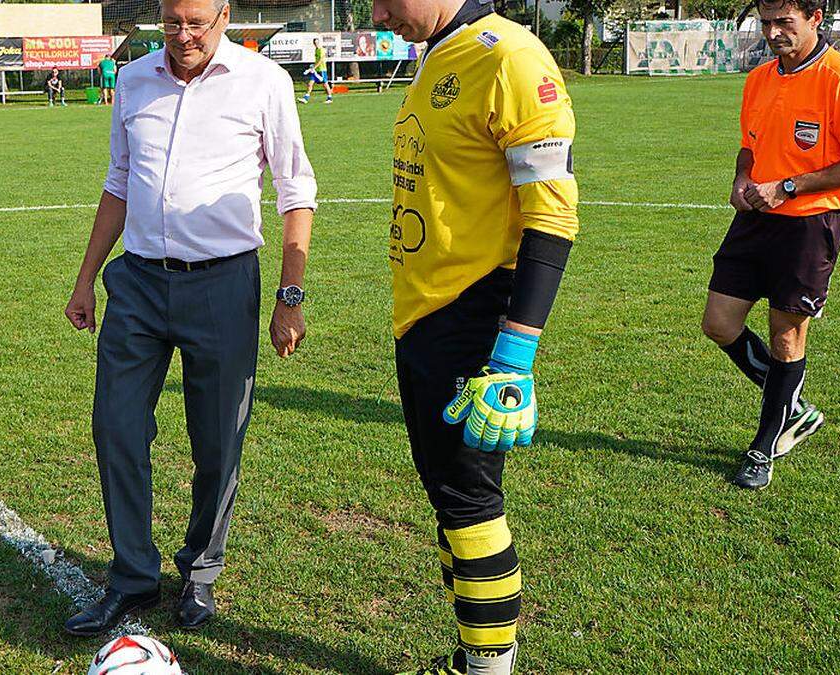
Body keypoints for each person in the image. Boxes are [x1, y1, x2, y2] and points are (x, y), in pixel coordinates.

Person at [62, 0, 317, 637]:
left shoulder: (263, 82)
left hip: (224, 286)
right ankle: (132, 577)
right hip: (139, 283)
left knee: (217, 442)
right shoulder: (135, 79)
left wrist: (291, 297)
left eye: (196, 23)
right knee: (116, 424)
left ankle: (200, 572)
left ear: (224, 16)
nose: (183, 37)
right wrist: (86, 276)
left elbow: (296, 189)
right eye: (172, 23)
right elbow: (119, 180)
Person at [375, 0, 579, 669]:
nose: (378, 12)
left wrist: (515, 356)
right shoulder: (440, 50)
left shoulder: (509, 56)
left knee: (470, 499)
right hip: (423, 314)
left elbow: (552, 214)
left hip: (475, 311)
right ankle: (472, 654)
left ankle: (487, 667)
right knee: (447, 495)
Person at [702, 0, 840, 490]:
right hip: (756, 218)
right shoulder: (759, 78)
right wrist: (743, 177)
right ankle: (795, 407)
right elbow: (751, 143)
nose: (773, 32)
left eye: (784, 21)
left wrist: (786, 187)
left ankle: (764, 446)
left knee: (787, 336)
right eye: (766, 22)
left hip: (810, 224)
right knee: (719, 324)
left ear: (815, 18)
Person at [299, 37, 334, 104]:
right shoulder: (316, 50)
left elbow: (321, 60)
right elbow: (317, 60)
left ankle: (330, 98)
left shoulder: (321, 50)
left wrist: (314, 67)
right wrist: (312, 67)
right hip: (316, 70)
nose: (316, 44)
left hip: (322, 70)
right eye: (315, 43)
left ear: (319, 42)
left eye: (317, 42)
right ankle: (305, 98)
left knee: (325, 84)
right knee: (310, 83)